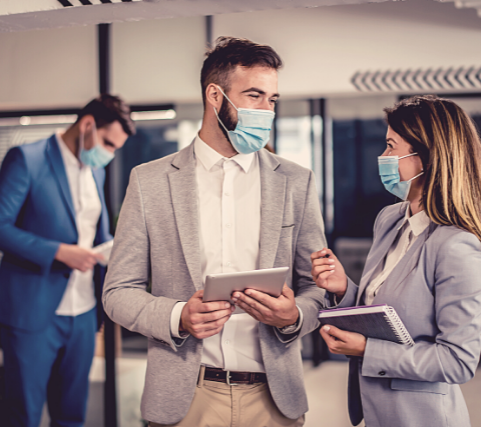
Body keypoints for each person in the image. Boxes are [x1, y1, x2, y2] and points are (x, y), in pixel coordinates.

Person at [102, 37, 326, 426]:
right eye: (254, 96)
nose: (266, 110)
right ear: (215, 95)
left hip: (274, 399)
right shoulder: (149, 181)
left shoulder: (296, 181)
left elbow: (319, 289)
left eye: (271, 99)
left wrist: (293, 316)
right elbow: (118, 292)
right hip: (185, 399)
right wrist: (177, 316)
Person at [311, 95, 481, 427]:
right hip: (375, 412)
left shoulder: (456, 246)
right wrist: (344, 288)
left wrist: (366, 350)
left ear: (427, 159)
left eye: (390, 146)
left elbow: (457, 361)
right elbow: (384, 311)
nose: (382, 157)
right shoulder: (390, 219)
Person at [0, 95, 135, 427]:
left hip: (83, 314)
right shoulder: (27, 159)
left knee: (72, 416)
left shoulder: (96, 171)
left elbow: (98, 235)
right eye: (107, 143)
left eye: (115, 148)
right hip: (32, 314)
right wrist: (59, 251)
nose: (109, 154)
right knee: (23, 416)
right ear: (87, 124)